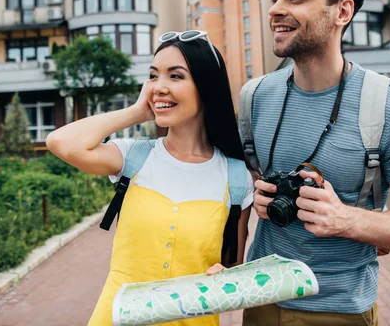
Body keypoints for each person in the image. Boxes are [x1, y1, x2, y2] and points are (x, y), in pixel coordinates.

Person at [242, 0, 390, 326]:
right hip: (261, 301)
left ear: (342, 11)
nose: (276, 10)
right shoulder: (253, 99)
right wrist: (258, 195)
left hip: (341, 310)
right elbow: (240, 187)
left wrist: (346, 220)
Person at [46, 32, 254, 326]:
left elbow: (233, 264)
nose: (159, 87)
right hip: (116, 318)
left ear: (206, 87)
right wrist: (136, 112)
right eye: (154, 76)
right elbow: (60, 142)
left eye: (175, 76)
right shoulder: (133, 157)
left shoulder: (237, 177)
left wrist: (224, 278)